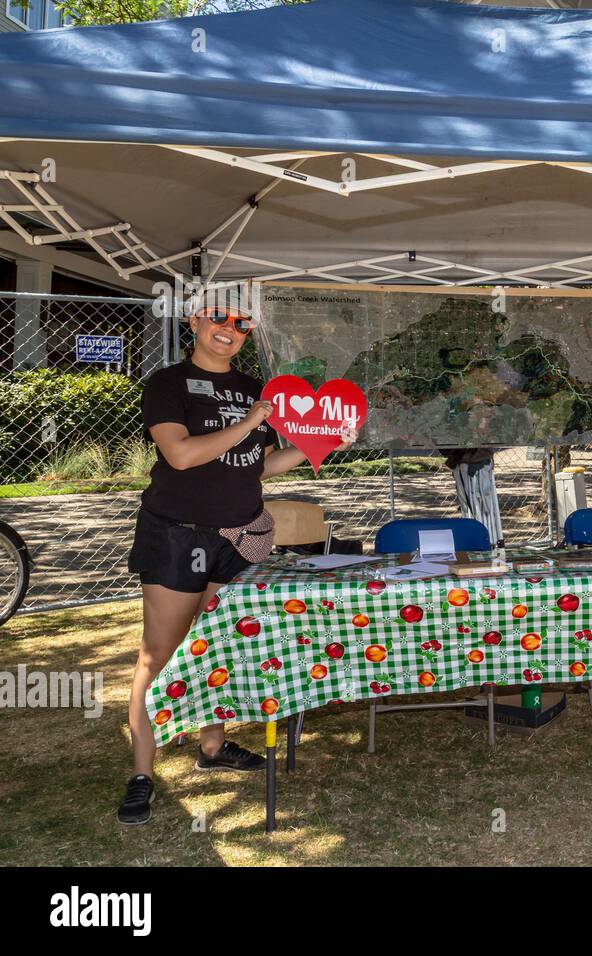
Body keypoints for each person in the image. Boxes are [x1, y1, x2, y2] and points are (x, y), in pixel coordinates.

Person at [117, 305, 355, 825]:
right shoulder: (169, 382)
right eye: (218, 318)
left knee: (218, 642)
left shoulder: (255, 387)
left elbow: (261, 465)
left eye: (243, 324)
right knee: (157, 655)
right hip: (179, 533)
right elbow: (180, 455)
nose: (229, 330)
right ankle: (141, 774)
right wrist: (250, 420)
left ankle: (212, 747)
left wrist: (324, 443)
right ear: (194, 323)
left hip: (240, 536)